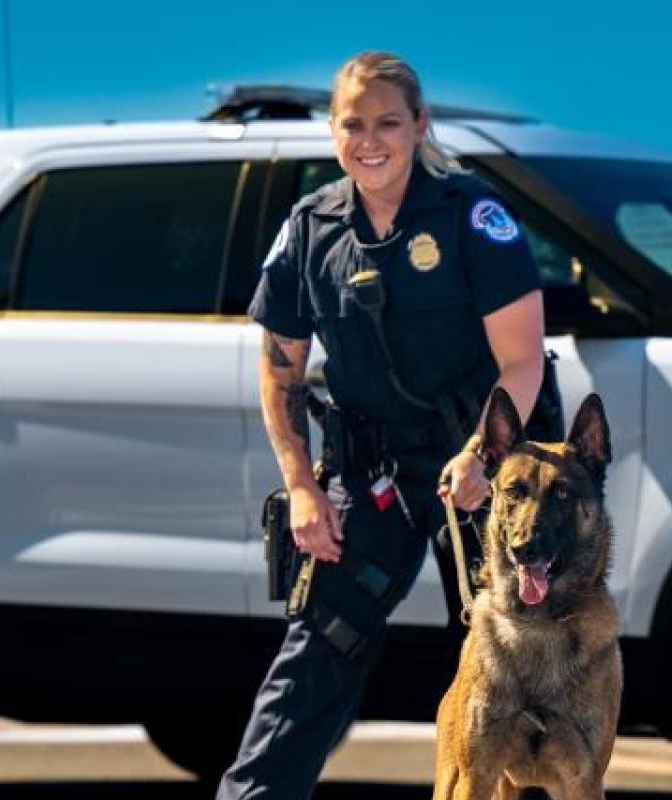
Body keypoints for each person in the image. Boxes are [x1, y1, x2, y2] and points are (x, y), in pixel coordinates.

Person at [218, 51, 547, 799]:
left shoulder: (471, 215)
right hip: (376, 478)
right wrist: (301, 488)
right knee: (317, 648)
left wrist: (478, 460)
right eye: (353, 124)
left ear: (419, 125)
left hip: (482, 475)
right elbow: (279, 373)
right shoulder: (311, 229)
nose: (371, 140)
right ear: (332, 129)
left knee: (518, 666)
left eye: (389, 123)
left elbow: (522, 363)